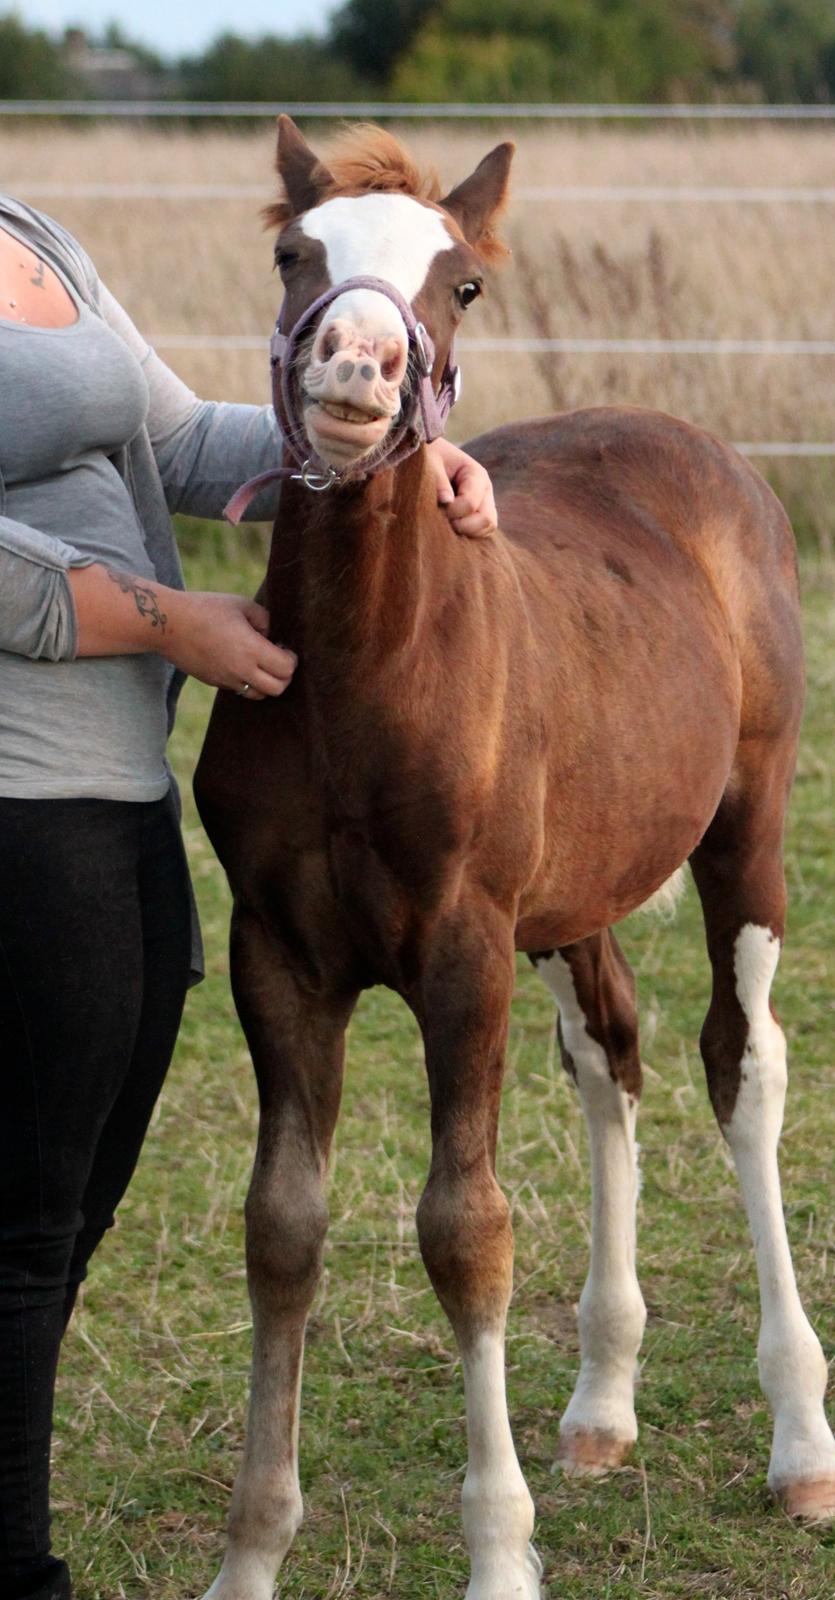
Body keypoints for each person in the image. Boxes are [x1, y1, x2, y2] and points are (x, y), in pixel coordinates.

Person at [0, 194, 497, 1600]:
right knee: (29, 1226)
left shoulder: (28, 232)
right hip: (18, 804)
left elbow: (181, 442)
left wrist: (396, 443)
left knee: (68, 1210)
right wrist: (177, 624)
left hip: (122, 799)